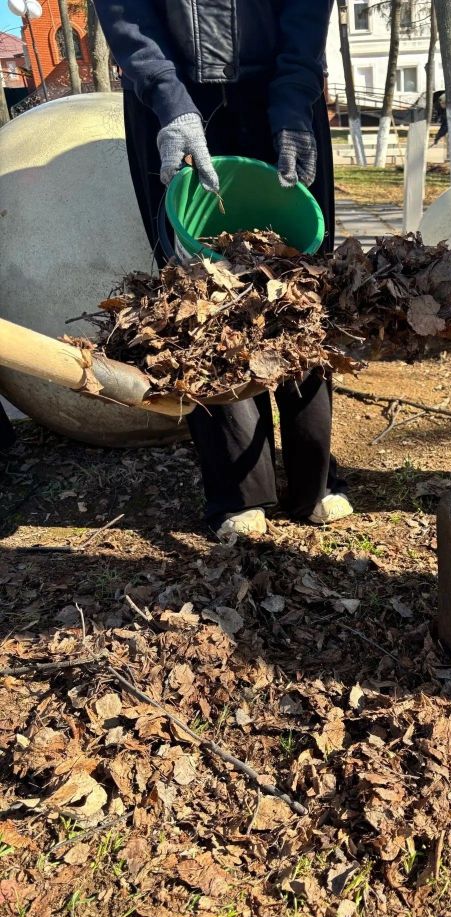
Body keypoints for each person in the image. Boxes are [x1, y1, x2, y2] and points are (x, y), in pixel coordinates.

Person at [94, 0, 352, 539]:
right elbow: (125, 12)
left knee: (300, 285)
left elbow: (305, 14)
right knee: (196, 294)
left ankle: (315, 477)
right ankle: (237, 489)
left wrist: (292, 104)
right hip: (174, 98)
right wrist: (169, 99)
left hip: (276, 85)